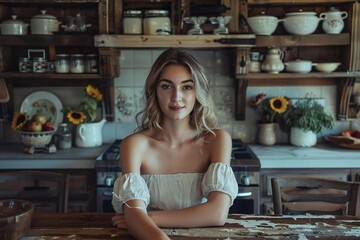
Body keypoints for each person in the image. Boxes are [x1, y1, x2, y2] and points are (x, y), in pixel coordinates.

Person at [111, 48, 238, 240]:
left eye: (187, 87)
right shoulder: (135, 145)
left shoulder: (217, 140)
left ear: (198, 92)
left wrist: (147, 217)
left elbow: (217, 214)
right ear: (154, 90)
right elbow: (133, 214)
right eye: (166, 86)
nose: (176, 97)